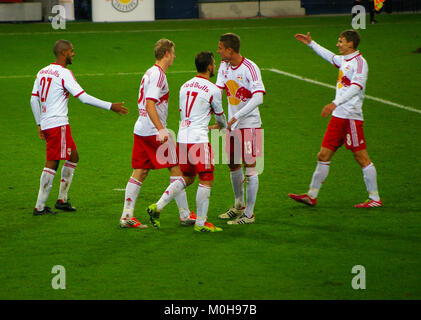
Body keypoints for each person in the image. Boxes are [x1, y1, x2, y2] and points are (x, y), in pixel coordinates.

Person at [30, 39, 128, 216]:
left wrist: (39, 123)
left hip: (50, 122)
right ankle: (40, 206)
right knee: (52, 162)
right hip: (57, 123)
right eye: (71, 51)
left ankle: (62, 200)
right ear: (64, 53)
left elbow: (33, 99)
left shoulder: (42, 72)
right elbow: (83, 97)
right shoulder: (63, 73)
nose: (74, 53)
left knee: (73, 156)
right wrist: (110, 106)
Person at [288, 30, 382, 208]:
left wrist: (334, 103)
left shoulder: (360, 63)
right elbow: (330, 57)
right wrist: (311, 43)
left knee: (361, 157)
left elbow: (356, 87)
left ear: (350, 44)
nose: (338, 44)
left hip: (350, 117)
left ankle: (375, 198)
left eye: (341, 41)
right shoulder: (345, 60)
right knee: (323, 155)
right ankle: (311, 195)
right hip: (338, 117)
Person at [146, 51, 228, 232]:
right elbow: (221, 117)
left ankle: (157, 206)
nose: (214, 66)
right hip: (199, 139)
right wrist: (222, 127)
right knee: (206, 178)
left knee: (188, 177)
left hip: (183, 137)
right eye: (214, 64)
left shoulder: (184, 86)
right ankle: (201, 223)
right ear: (209, 67)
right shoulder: (213, 89)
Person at [119, 39, 195, 229]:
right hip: (153, 131)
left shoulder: (149, 72)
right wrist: (161, 129)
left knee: (140, 171)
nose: (175, 56)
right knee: (176, 168)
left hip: (141, 128)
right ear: (167, 54)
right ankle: (185, 215)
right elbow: (150, 103)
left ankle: (126, 215)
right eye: (173, 52)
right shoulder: (159, 75)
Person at [215, 33, 266, 225]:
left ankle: (250, 214)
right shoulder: (223, 66)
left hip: (250, 125)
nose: (218, 51)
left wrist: (236, 116)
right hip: (231, 125)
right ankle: (238, 206)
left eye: (220, 48)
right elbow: (217, 91)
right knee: (232, 163)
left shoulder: (250, 68)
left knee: (250, 167)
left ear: (230, 50)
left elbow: (259, 98)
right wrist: (215, 115)